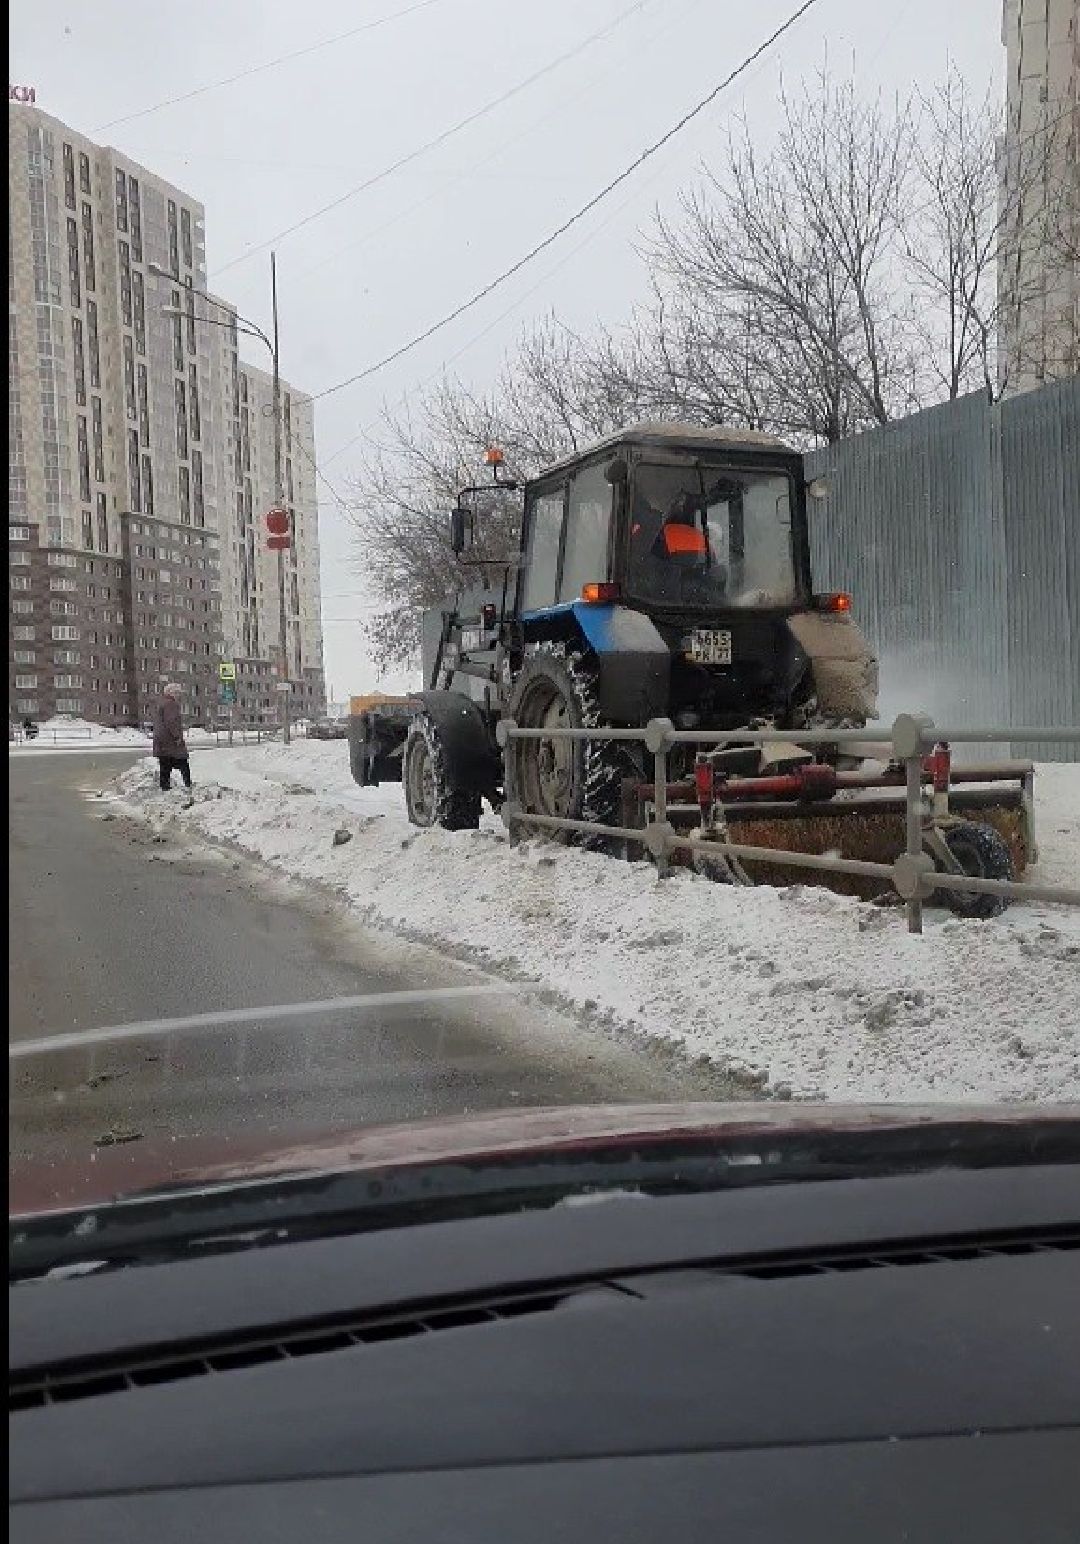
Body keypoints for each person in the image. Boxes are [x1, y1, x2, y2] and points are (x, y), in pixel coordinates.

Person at [152, 683, 193, 792]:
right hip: (170, 740)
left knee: (165, 764)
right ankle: (188, 785)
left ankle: (164, 787)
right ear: (172, 693)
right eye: (178, 693)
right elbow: (172, 722)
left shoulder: (161, 703)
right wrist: (177, 737)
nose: (179, 696)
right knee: (183, 761)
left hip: (161, 740)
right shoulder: (171, 704)